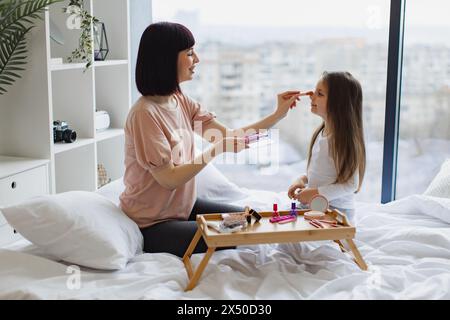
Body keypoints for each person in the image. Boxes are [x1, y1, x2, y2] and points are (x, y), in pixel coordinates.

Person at [119, 22, 302, 258]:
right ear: (166, 59)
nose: (197, 59)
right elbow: (168, 179)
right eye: (189, 53)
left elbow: (230, 138)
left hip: (183, 209)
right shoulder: (144, 114)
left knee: (251, 220)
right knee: (233, 235)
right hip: (152, 224)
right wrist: (216, 149)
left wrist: (277, 115)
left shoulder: (179, 100)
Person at [287, 71, 366, 224]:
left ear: (338, 103)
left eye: (320, 94)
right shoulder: (321, 132)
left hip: (337, 211)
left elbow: (351, 184)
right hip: (317, 205)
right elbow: (323, 172)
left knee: (292, 243)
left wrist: (315, 193)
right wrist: (302, 180)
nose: (311, 96)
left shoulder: (343, 139)